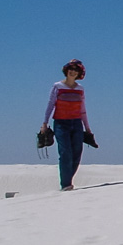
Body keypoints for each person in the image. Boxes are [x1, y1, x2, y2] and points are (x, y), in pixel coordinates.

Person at [41, 59, 94, 191]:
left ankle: (68, 180)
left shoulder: (80, 89)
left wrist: (87, 127)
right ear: (66, 70)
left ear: (79, 73)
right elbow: (50, 105)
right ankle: (66, 185)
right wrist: (45, 123)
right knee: (65, 153)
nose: (73, 72)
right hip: (61, 123)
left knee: (77, 152)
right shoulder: (57, 86)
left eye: (76, 70)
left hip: (76, 123)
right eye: (71, 69)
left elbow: (83, 109)